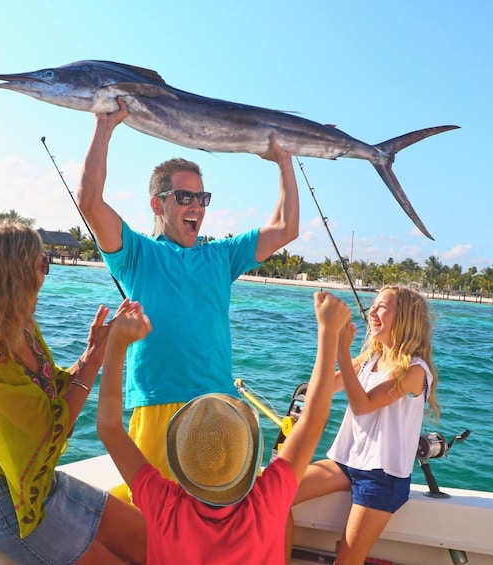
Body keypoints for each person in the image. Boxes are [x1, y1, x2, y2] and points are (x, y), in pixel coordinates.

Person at [77, 96, 300, 479]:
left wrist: (284, 161)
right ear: (157, 204)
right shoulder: (137, 254)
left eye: (202, 198)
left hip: (220, 408)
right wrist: (104, 126)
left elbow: (286, 228)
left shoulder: (222, 255)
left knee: (220, 520)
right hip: (158, 407)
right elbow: (90, 202)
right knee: (157, 524)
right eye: (185, 197)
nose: (196, 206)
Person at [0, 220, 146, 564]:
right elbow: (47, 429)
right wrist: (97, 359)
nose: (46, 274)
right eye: (42, 263)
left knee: (153, 542)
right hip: (5, 503)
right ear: (13, 275)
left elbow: (52, 392)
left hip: (39, 485)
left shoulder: (21, 328)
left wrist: (93, 352)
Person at [97, 292, 352, 564]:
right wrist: (328, 333)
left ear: (181, 464)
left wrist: (116, 344)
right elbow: (313, 420)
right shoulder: (266, 502)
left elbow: (109, 428)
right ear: (249, 455)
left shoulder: (164, 505)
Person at [294, 285, 441, 564]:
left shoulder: (415, 370)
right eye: (373, 305)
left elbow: (363, 405)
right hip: (346, 463)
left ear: (404, 318)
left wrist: (341, 354)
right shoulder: (370, 358)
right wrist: (327, 340)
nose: (372, 311)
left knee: (348, 558)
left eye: (383, 306)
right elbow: (321, 388)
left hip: (382, 477)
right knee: (273, 500)